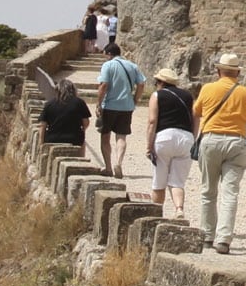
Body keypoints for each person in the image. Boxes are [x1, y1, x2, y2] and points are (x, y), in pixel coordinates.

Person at [191, 52, 246, 253]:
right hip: (237, 142)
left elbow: (197, 113)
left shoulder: (208, 89)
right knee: (230, 193)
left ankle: (206, 235)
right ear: (237, 73)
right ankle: (224, 239)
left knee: (208, 191)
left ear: (218, 70)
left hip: (211, 139)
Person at [147, 66, 197, 218]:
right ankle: (179, 209)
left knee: (159, 181)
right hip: (186, 138)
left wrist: (149, 146)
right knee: (178, 181)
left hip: (165, 137)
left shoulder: (157, 95)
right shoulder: (188, 96)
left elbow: (152, 121)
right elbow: (195, 118)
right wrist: (193, 139)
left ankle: (156, 215)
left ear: (160, 82)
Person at [95, 46, 146, 176]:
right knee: (121, 137)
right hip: (126, 106)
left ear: (109, 53)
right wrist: (135, 100)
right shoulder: (132, 66)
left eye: (105, 54)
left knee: (105, 137)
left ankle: (108, 168)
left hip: (110, 106)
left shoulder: (108, 65)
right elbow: (141, 84)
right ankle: (118, 162)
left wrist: (98, 104)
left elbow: (104, 85)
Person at [39, 77, 91, 149]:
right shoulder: (80, 102)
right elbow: (86, 122)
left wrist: (41, 144)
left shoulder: (49, 104)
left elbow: (42, 126)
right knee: (82, 141)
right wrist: (82, 130)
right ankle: (80, 157)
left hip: (52, 139)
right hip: (74, 139)